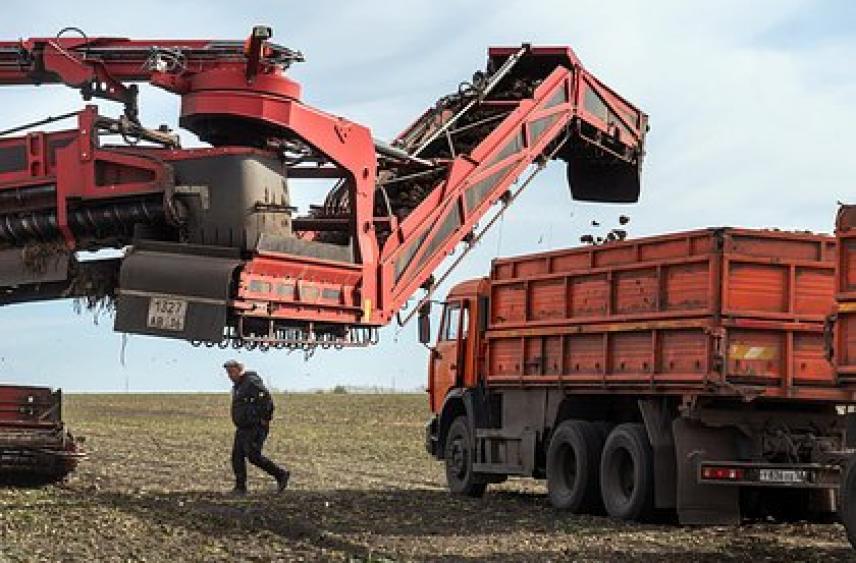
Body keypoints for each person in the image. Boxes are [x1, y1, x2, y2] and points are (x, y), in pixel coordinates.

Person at [224, 359, 289, 495]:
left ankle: (281, 474)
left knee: (253, 455)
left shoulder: (251, 381)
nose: (229, 375)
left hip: (255, 426)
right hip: (243, 427)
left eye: (231, 371)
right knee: (237, 456)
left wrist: (265, 418)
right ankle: (240, 487)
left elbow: (266, 399)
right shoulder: (238, 386)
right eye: (228, 372)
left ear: (239, 369)